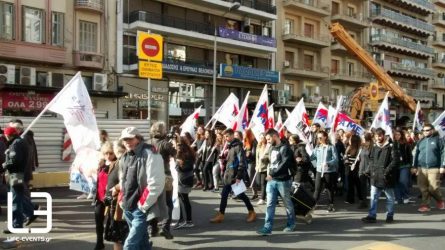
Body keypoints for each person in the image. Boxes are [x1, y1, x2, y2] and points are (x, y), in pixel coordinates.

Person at [119, 127, 165, 250]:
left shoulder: (150, 154)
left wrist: (142, 205)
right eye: (124, 139)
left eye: (130, 138)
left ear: (138, 138)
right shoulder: (125, 156)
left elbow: (156, 183)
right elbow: (123, 180)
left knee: (129, 245)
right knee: (142, 243)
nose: (127, 141)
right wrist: (121, 200)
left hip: (140, 208)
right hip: (127, 205)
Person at [210, 129, 256, 223]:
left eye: (227, 136)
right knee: (225, 195)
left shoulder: (238, 146)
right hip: (229, 175)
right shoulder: (230, 146)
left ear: (231, 135)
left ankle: (252, 212)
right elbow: (231, 160)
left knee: (241, 195)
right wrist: (223, 159)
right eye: (225, 136)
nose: (225, 138)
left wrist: (238, 176)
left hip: (235, 176)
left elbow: (242, 162)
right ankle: (221, 214)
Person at [256, 129, 296, 236]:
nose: (268, 141)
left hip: (283, 180)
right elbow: (269, 160)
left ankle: (291, 224)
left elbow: (284, 164)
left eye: (269, 139)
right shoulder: (271, 147)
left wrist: (272, 174)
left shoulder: (285, 148)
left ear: (275, 136)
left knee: (287, 203)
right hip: (272, 181)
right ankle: (267, 227)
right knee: (270, 204)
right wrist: (263, 158)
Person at [362, 128, 399, 223]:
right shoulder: (374, 146)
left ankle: (389, 215)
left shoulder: (391, 146)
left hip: (387, 177)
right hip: (375, 177)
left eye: (380, 135)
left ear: (383, 135)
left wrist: (386, 172)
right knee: (373, 198)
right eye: (376, 136)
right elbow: (371, 159)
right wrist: (369, 170)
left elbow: (395, 161)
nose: (378, 137)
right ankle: (372, 215)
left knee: (390, 198)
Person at [147, 122, 176, 240]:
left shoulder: (147, 144)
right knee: (168, 203)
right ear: (163, 131)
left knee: (153, 202)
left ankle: (152, 228)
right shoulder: (165, 144)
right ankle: (165, 227)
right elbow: (176, 154)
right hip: (165, 176)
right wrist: (174, 142)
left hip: (151, 176)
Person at [1, 126, 33, 233]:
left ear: (8, 135)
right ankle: (31, 213)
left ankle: (16, 225)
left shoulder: (16, 144)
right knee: (19, 197)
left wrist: (4, 164)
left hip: (15, 175)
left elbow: (15, 161)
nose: (4, 137)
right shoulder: (20, 141)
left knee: (15, 201)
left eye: (5, 135)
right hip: (19, 174)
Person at [412, 124, 445, 212]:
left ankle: (440, 200)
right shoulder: (420, 141)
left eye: (428, 130)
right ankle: (425, 205)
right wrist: (414, 166)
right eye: (424, 130)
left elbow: (443, 153)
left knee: (433, 188)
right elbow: (416, 155)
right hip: (421, 168)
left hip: (434, 168)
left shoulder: (439, 140)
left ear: (432, 130)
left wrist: (442, 166)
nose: (425, 132)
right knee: (423, 188)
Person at [104, 140, 129, 250]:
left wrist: (116, 188)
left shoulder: (123, 163)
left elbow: (126, 181)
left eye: (118, 151)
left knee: (121, 236)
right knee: (116, 236)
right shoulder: (115, 163)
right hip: (113, 203)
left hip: (120, 204)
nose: (116, 153)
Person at [94, 142, 115, 250]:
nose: (108, 156)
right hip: (100, 197)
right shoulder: (101, 164)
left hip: (112, 198)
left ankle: (117, 243)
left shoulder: (117, 163)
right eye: (106, 153)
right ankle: (99, 243)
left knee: (112, 222)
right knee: (98, 220)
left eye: (110, 153)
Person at [311, 130, 338, 212]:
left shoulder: (331, 147)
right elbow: (312, 158)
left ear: (325, 137)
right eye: (317, 137)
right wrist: (316, 166)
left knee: (329, 188)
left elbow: (336, 159)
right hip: (319, 171)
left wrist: (328, 163)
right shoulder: (317, 147)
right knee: (317, 188)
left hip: (329, 172)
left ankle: (331, 204)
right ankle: (313, 204)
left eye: (320, 137)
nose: (318, 139)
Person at [173, 137, 195, 229]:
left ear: (180, 145)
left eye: (176, 144)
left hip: (185, 180)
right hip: (182, 179)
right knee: (181, 199)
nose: (174, 146)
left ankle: (188, 221)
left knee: (184, 199)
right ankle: (181, 219)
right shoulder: (183, 152)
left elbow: (188, 167)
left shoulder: (187, 153)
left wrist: (178, 166)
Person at [393, 128, 413, 205]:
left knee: (403, 181)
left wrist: (411, 165)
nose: (397, 136)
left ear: (401, 135)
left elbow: (410, 156)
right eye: (395, 134)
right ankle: (398, 198)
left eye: (398, 134)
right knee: (396, 182)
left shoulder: (406, 144)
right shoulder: (392, 144)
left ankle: (405, 196)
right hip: (394, 166)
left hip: (404, 165)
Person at [344, 134, 363, 205]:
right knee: (355, 184)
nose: (349, 140)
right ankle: (359, 198)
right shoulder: (350, 147)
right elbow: (345, 157)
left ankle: (352, 199)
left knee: (352, 185)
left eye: (350, 139)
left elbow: (357, 159)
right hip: (350, 169)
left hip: (353, 169)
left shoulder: (358, 149)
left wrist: (347, 160)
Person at [357, 133, 373, 209]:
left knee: (372, 187)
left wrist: (368, 170)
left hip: (370, 170)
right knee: (362, 187)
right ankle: (363, 202)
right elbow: (360, 158)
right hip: (361, 169)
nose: (361, 139)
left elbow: (372, 160)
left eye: (362, 138)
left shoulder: (372, 147)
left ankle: (373, 202)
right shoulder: (362, 147)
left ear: (367, 139)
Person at [255, 133, 269, 205]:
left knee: (263, 183)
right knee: (258, 182)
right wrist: (256, 166)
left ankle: (262, 198)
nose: (261, 139)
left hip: (265, 168)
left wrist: (265, 159)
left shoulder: (268, 146)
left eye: (263, 137)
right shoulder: (258, 146)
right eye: (260, 137)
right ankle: (267, 197)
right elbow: (256, 157)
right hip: (259, 167)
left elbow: (269, 157)